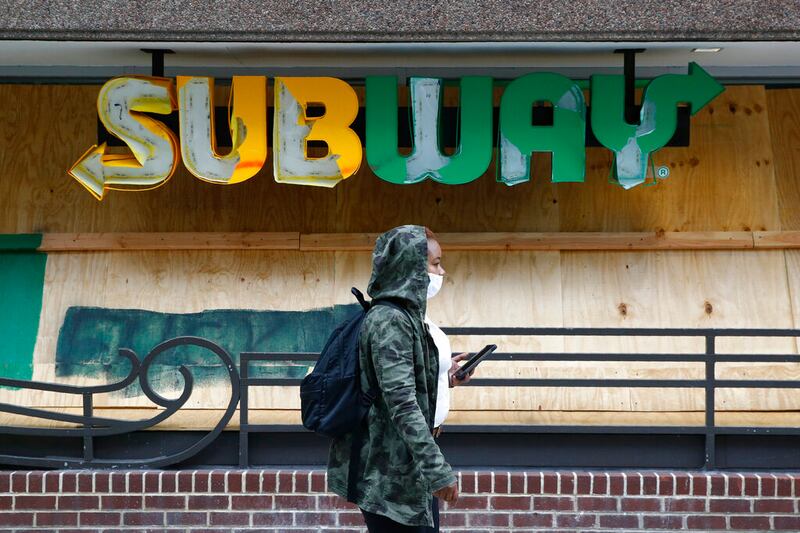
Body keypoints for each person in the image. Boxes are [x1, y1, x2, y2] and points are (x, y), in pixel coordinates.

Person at [327, 224, 474, 532]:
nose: (442, 271)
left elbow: (402, 381)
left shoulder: (409, 314)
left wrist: (446, 379)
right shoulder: (390, 321)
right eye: (434, 263)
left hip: (410, 464)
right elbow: (402, 402)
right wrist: (438, 471)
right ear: (410, 266)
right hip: (389, 471)